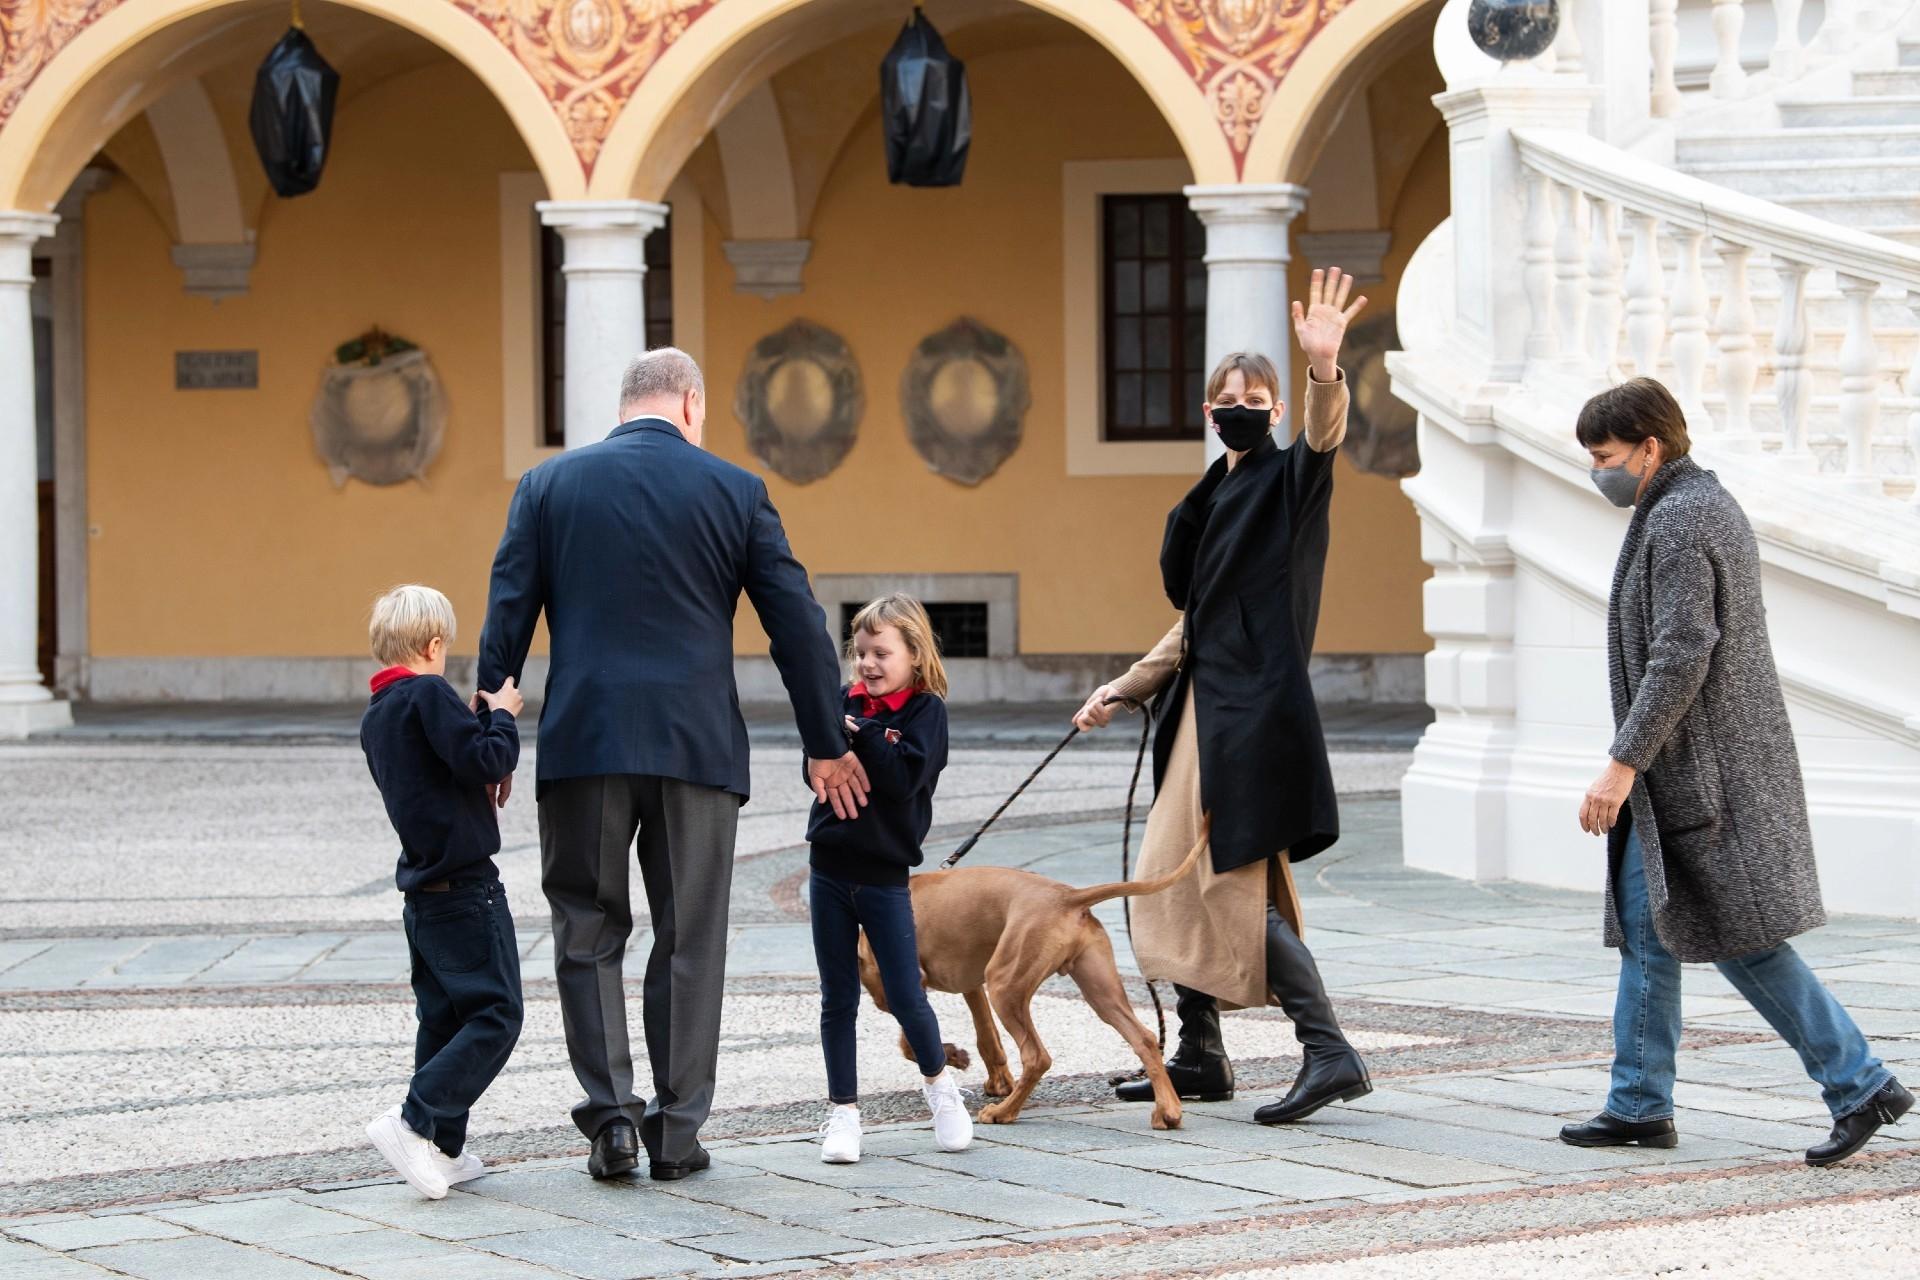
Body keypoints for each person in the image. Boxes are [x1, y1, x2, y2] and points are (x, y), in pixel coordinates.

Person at [476, 347, 868, 1182]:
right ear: (691, 403)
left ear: (625, 406)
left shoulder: (548, 487)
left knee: (585, 931)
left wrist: (492, 743)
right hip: (696, 747)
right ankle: (677, 1130)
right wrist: (825, 743)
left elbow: (506, 617)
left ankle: (610, 1124)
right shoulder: (736, 490)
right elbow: (796, 625)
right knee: (690, 938)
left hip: (585, 741)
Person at [1557, 377, 1910, 1167]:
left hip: (1701, 778)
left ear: (1651, 447)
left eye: (1605, 456)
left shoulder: (1682, 519)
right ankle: (1638, 1103)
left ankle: (1860, 1083)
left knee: (1741, 940)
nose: (1597, 471)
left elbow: (1682, 653)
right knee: (1652, 934)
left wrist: (1621, 766)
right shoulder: (1682, 506)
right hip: (1688, 772)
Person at [1074, 268, 1373, 1126]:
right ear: (1209, 412)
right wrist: (1124, 690)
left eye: (1256, 395)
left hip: (1248, 718)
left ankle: (1328, 1049)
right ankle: (1200, 1053)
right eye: (1226, 396)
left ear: (1275, 409)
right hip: (1206, 711)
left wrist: (1323, 370)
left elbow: (1324, 439)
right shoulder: (1212, 495)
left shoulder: (1288, 481)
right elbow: (1198, 623)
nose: (1239, 404)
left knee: (1226, 885)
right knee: (1168, 879)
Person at [357, 584, 525, 1199]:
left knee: (445, 1020)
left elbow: (444, 765)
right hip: (467, 890)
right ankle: (413, 1120)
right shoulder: (429, 692)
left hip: (424, 892)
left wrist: (474, 725)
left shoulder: (379, 712)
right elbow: (483, 760)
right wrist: (502, 712)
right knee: (497, 1013)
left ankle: (442, 1147)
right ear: (433, 645)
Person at [808, 593, 971, 1164]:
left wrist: (865, 737)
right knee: (837, 998)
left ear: (915, 656)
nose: (867, 665)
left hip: (883, 877)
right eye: (860, 653)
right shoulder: (839, 703)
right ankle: (844, 1114)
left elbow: (905, 780)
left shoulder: (926, 713)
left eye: (881, 653)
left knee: (905, 993)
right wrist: (839, 739)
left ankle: (940, 1088)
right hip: (828, 869)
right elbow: (819, 767)